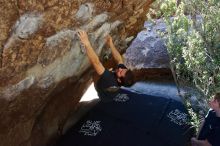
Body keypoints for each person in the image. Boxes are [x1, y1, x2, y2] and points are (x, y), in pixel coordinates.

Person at [78, 30, 134, 101]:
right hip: (111, 88)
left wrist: (86, 43)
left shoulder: (109, 80)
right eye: (123, 69)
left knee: (96, 73)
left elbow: (96, 63)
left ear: (119, 80)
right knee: (107, 69)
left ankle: (94, 75)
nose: (120, 69)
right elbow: (119, 60)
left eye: (120, 72)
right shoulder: (123, 72)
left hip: (102, 92)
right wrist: (110, 44)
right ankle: (105, 63)